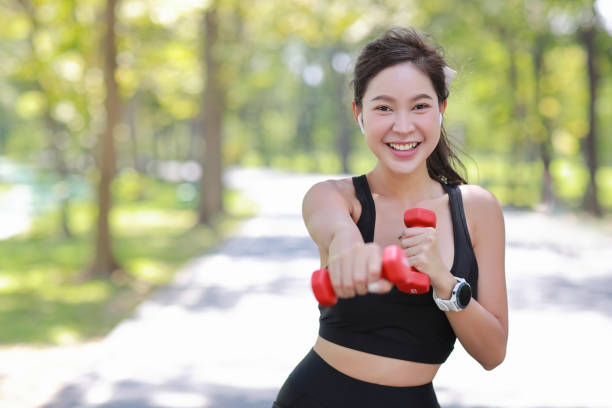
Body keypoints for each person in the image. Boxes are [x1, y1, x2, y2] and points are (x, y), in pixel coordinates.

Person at [272, 26, 508, 408]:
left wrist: (442, 279)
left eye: (419, 106)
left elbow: (492, 353)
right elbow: (334, 229)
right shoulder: (335, 197)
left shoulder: (477, 210)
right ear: (359, 113)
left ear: (441, 109)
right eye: (383, 107)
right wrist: (350, 248)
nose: (402, 126)